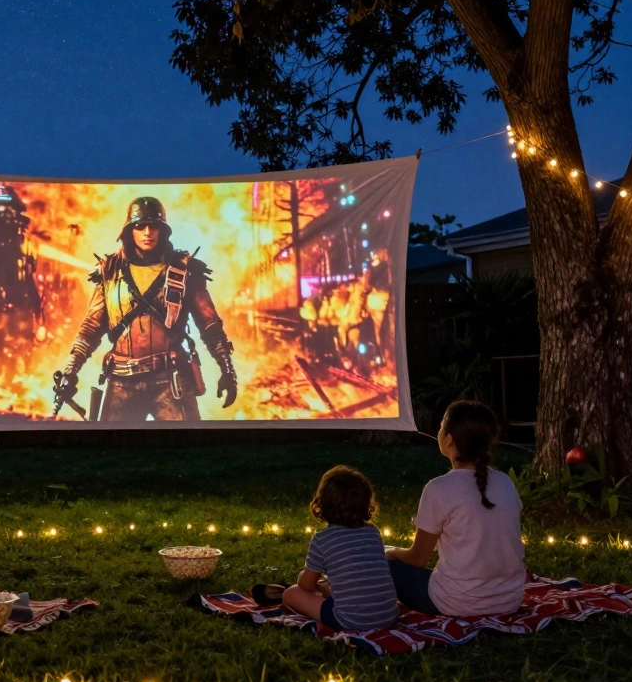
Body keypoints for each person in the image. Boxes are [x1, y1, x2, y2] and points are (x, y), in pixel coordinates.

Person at [54, 196, 237, 421]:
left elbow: (210, 325)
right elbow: (90, 328)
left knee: (184, 450)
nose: (147, 232)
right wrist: (70, 373)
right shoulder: (110, 272)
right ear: (130, 230)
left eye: (154, 226)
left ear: (163, 230)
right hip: (121, 382)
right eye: (140, 226)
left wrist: (227, 370)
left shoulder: (184, 270)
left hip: (170, 381)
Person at [385, 400, 526, 616]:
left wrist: (391, 552)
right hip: (510, 600)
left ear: (449, 439)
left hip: (458, 604)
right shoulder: (505, 481)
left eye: (441, 426)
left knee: (380, 564)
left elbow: (418, 558)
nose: (439, 431)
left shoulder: (439, 488)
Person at [278, 465, 401, 631]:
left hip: (351, 621)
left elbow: (306, 585)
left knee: (291, 593)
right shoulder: (373, 532)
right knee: (331, 586)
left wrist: (303, 577)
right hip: (389, 616)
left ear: (323, 504)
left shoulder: (322, 539)